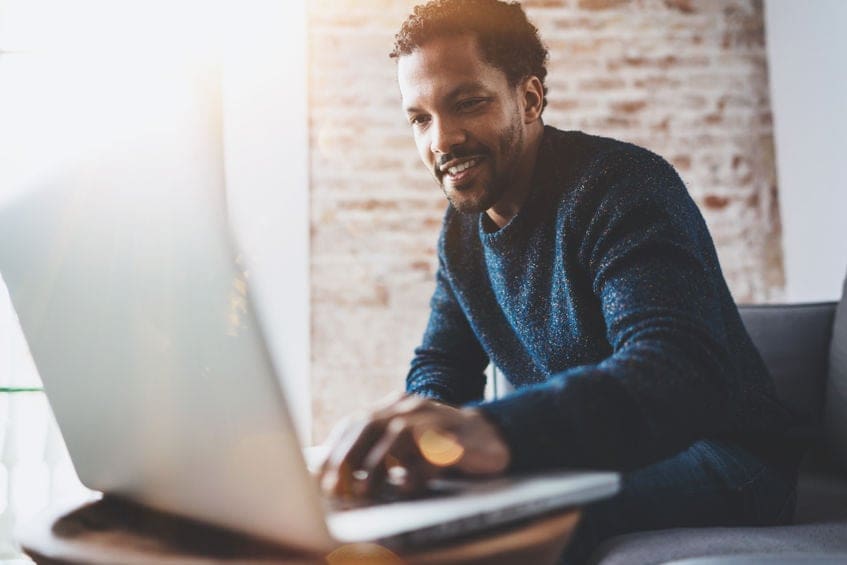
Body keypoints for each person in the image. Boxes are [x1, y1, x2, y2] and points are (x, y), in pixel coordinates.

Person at [319, 0, 799, 561]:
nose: (441, 140)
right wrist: (413, 443)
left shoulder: (622, 186)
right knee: (394, 513)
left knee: (509, 520)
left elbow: (677, 371)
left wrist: (496, 432)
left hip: (727, 457)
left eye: (467, 103)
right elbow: (443, 365)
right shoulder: (462, 231)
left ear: (528, 99)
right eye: (420, 118)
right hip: (590, 453)